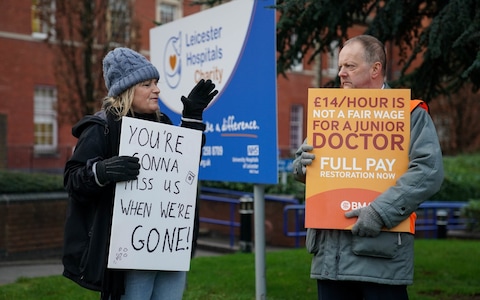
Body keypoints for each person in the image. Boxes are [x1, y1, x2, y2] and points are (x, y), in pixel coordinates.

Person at [292, 35, 444, 300]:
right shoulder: (330, 111)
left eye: (350, 66)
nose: (341, 73)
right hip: (329, 260)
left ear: (375, 69)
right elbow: (309, 168)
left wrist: (379, 212)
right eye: (340, 66)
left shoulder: (409, 114)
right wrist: (301, 166)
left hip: (381, 258)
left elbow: (428, 171)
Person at [62, 47, 218, 300]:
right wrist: (102, 171)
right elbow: (72, 179)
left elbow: (185, 166)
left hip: (168, 246)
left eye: (156, 82)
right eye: (147, 84)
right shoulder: (101, 128)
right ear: (126, 90)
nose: (157, 89)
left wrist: (192, 120)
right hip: (128, 252)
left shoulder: (164, 123)